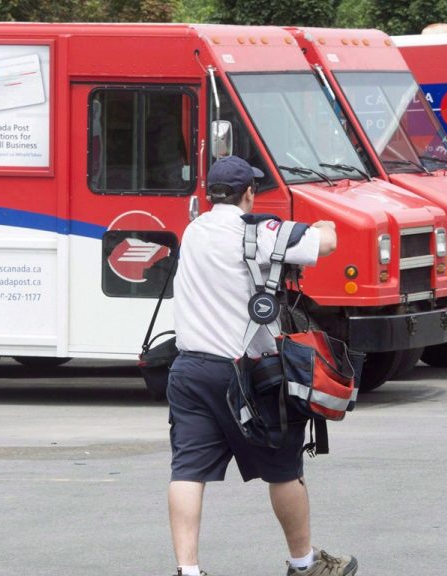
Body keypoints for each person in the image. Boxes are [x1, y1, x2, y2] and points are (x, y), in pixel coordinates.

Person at [166, 155, 351, 576]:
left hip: (191, 369)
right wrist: (321, 225)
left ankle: (187, 570)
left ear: (210, 192)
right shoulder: (262, 232)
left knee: (188, 470)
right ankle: (305, 566)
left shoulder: (193, 231)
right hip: (251, 374)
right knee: (283, 469)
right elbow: (327, 242)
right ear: (249, 192)